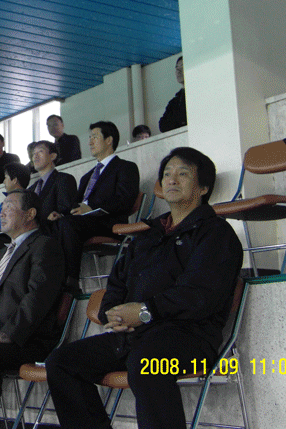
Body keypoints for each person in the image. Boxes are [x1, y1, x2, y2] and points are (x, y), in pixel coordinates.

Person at [45, 147, 243, 429]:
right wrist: (111, 312)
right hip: (134, 335)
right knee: (61, 362)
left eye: (183, 174)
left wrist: (144, 311)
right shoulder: (149, 234)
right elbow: (117, 280)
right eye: (167, 173)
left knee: (146, 365)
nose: (171, 179)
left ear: (203, 188)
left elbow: (200, 296)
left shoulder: (216, 234)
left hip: (189, 337)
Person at [0, 190, 65, 429]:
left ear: (30, 214)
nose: (2, 213)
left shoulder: (45, 246)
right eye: (2, 207)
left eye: (9, 206)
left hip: (26, 340)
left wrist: (8, 333)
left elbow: (38, 298)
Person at [54, 121, 140, 282]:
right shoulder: (87, 176)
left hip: (108, 222)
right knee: (52, 226)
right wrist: (61, 213)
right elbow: (76, 204)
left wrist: (91, 208)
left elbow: (125, 200)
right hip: (82, 223)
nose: (90, 142)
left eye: (95, 137)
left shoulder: (125, 167)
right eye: (89, 138)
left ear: (109, 140)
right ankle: (52, 281)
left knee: (67, 225)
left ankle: (70, 281)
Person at [0, 162, 31, 261]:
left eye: (5, 178)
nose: (4, 182)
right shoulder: (4, 202)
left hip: (7, 237)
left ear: (14, 180)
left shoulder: (26, 200)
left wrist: (1, 230)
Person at [27, 141, 77, 228]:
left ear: (53, 156)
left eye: (40, 151)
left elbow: (65, 211)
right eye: (34, 153)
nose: (35, 156)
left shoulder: (64, 179)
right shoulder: (30, 189)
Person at [159, 56, 187, 132]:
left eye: (182, 67)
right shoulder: (174, 102)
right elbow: (163, 126)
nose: (178, 71)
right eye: (177, 68)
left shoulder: (199, 94)